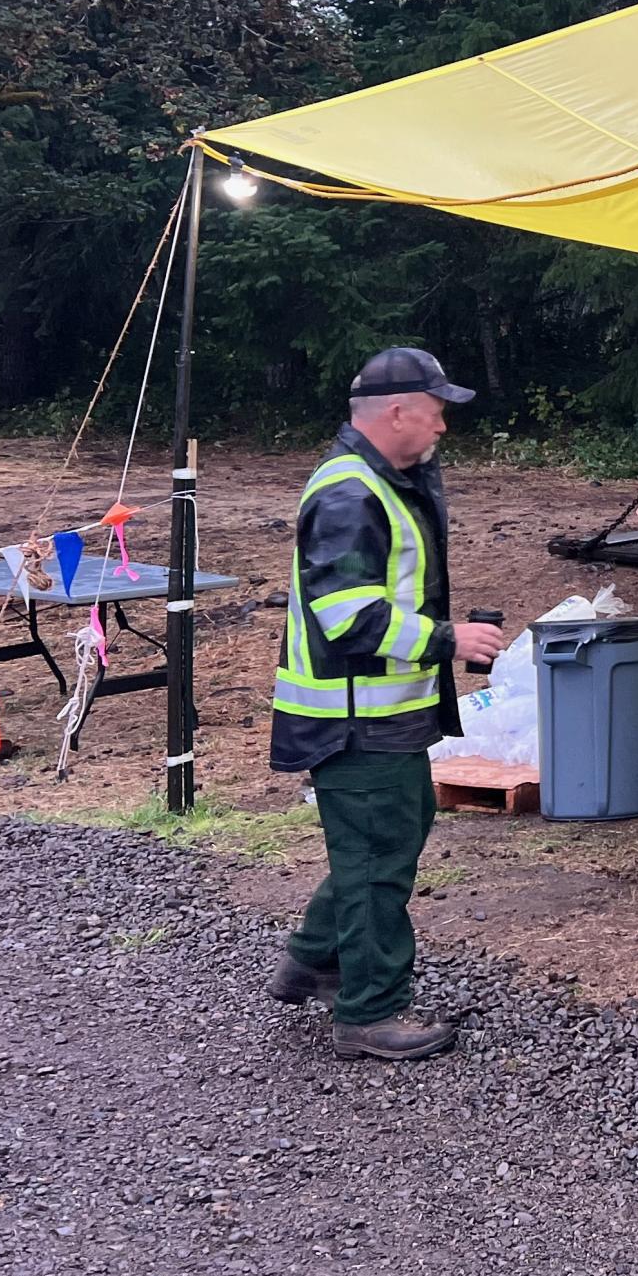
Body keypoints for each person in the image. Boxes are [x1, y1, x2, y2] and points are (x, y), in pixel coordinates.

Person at [264, 348, 506, 1062]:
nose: (441, 428)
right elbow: (347, 614)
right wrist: (448, 638)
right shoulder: (350, 493)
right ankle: (369, 1012)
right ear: (396, 411)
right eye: (434, 413)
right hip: (353, 721)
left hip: (378, 714)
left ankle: (313, 959)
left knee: (386, 839)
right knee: (375, 858)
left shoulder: (383, 480)